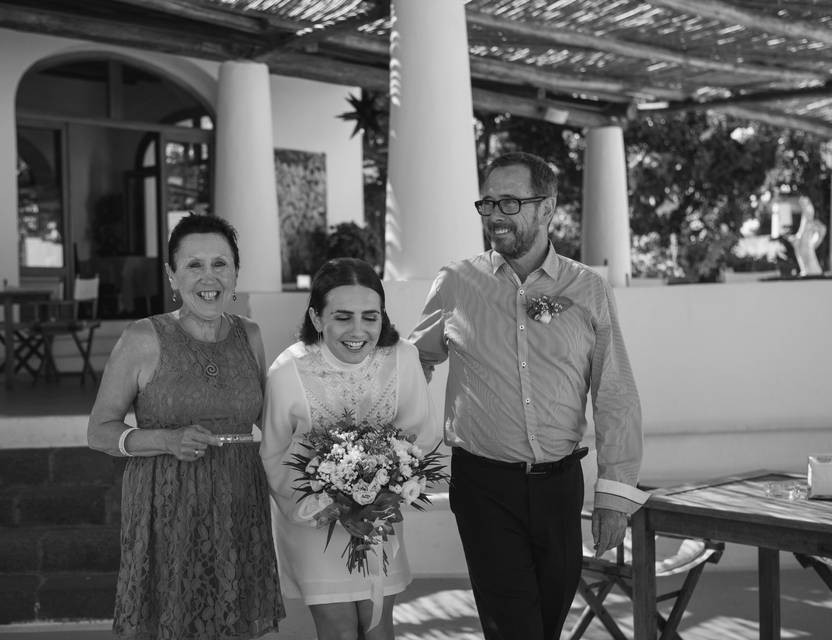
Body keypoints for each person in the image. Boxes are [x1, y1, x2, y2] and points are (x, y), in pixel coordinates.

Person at [409, 151, 647, 640]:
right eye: (488, 202)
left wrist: (615, 494)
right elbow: (414, 365)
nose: (495, 214)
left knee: (547, 625)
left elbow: (614, 391)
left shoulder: (589, 290)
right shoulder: (455, 283)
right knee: (514, 629)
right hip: (483, 488)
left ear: (546, 208)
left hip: (561, 489)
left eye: (510, 202)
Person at [87, 213, 285, 639]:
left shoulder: (250, 335)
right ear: (172, 275)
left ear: (235, 273)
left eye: (220, 263)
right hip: (167, 504)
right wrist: (165, 439)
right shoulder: (143, 337)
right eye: (194, 264)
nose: (208, 276)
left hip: (239, 501)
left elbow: (271, 421)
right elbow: (99, 431)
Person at [260, 257, 439, 640]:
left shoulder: (403, 359)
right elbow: (273, 455)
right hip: (313, 522)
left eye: (370, 316)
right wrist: (329, 507)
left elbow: (419, 437)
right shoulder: (287, 370)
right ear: (316, 317)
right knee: (340, 631)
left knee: (377, 628)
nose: (358, 330)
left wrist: (386, 494)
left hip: (380, 520)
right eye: (342, 317)